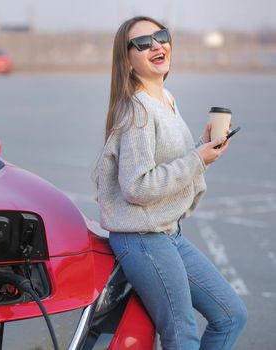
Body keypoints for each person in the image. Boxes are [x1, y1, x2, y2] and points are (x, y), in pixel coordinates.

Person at [95, 16, 247, 349]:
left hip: (167, 233)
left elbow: (168, 165)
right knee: (182, 335)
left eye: (161, 36)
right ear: (128, 59)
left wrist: (201, 149)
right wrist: (197, 160)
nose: (156, 45)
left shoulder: (166, 97)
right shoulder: (137, 112)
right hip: (142, 239)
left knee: (231, 315)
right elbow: (137, 187)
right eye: (143, 43)